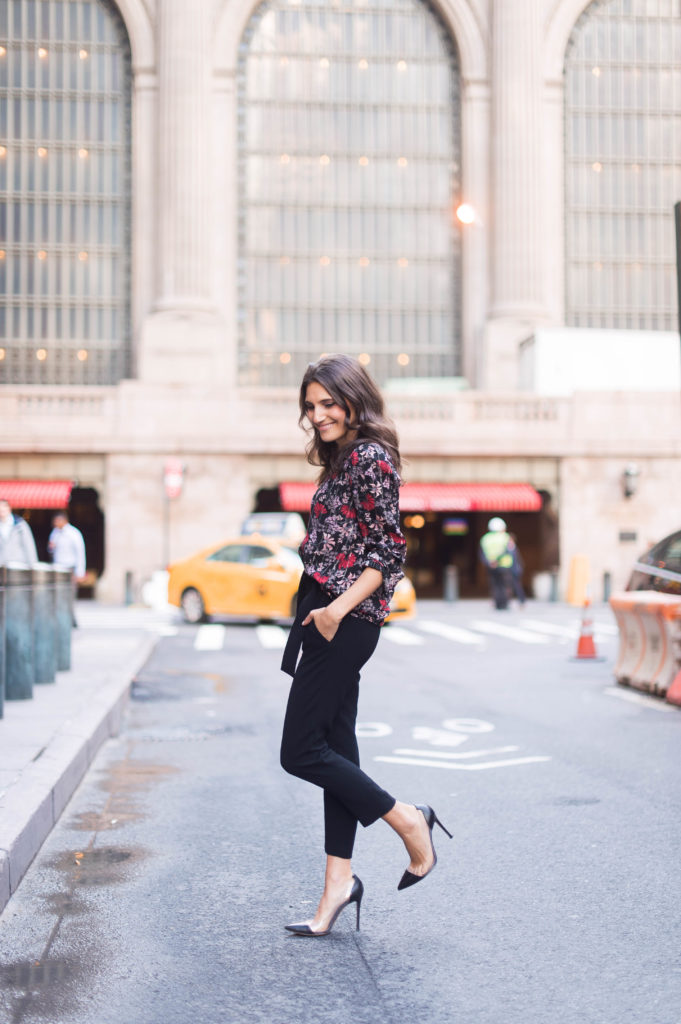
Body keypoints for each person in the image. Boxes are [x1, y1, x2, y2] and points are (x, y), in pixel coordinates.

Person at [279, 354, 452, 938]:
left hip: (343, 620)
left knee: (300, 751)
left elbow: (388, 553)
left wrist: (332, 610)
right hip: (326, 614)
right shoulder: (341, 458)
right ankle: (338, 885)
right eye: (310, 405)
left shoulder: (370, 457)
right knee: (335, 749)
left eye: (328, 402)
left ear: (353, 398)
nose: (318, 414)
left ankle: (408, 820)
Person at [48, 511, 86, 625]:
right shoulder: (55, 533)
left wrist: (80, 572)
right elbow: (51, 549)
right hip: (58, 567)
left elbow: (80, 553)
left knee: (70, 595)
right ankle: (61, 618)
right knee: (58, 595)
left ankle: (71, 618)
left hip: (70, 568)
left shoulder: (73, 533)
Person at [479, 517, 514, 610]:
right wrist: (497, 560)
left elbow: (482, 553)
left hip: (490, 566)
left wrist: (489, 562)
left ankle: (498, 604)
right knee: (505, 585)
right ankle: (504, 604)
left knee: (495, 585)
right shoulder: (505, 537)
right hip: (504, 566)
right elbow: (508, 551)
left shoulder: (485, 538)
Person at [0, 497, 38, 566]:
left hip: (18, 565)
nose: (1, 510)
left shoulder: (20, 524)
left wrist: (33, 564)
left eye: (4, 507)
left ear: (9, 508)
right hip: (2, 566)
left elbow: (29, 545)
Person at [508, 533, 526, 606]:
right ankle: (507, 601)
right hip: (509, 570)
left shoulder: (513, 549)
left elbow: (518, 560)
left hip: (515, 570)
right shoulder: (510, 548)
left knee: (517, 586)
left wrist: (520, 569)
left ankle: (521, 600)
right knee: (509, 586)